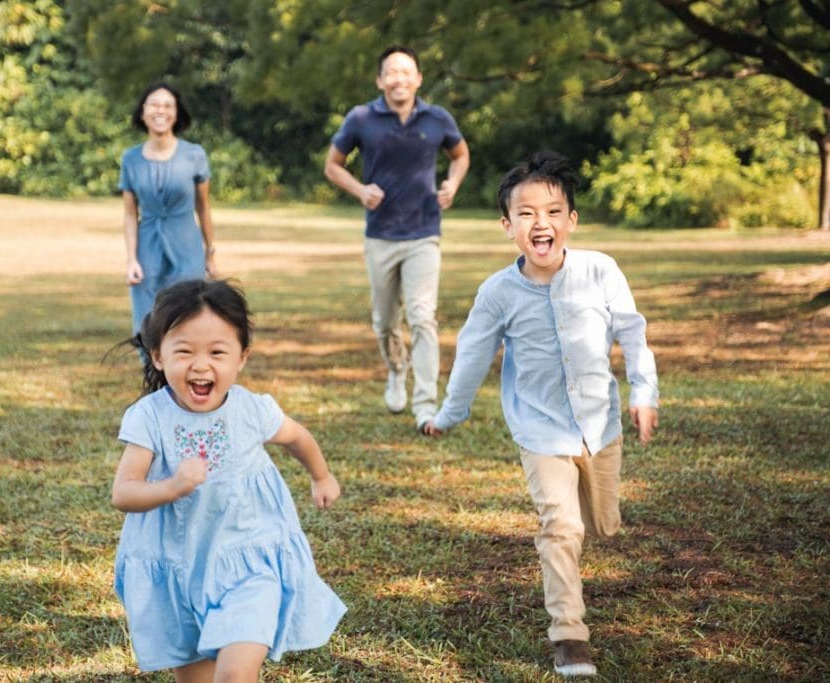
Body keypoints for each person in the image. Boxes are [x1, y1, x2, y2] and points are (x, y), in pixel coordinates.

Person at [422, 152, 659, 678]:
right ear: (507, 227)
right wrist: (448, 414)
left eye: (552, 211)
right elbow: (472, 356)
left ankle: (591, 520)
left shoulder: (601, 270)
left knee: (602, 524)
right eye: (526, 214)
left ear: (571, 221)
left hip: (600, 425)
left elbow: (632, 335)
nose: (540, 223)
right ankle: (570, 637)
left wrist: (645, 393)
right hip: (539, 428)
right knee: (560, 525)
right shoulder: (497, 293)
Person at [111, 279, 347, 681]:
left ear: (241, 358)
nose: (201, 365)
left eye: (217, 352)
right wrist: (172, 487)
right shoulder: (149, 417)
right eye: (184, 351)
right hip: (178, 569)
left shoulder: (251, 410)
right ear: (158, 356)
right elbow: (123, 493)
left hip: (248, 561)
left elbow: (296, 437)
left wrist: (321, 476)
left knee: (235, 675)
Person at [324, 45, 470, 429]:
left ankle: (425, 405)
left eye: (407, 71)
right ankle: (396, 369)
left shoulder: (437, 118)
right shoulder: (361, 118)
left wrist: (452, 185)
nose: (399, 78)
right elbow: (333, 166)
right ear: (380, 80)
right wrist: (361, 191)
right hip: (381, 236)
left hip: (424, 232)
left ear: (418, 78)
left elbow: (460, 155)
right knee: (385, 321)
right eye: (391, 72)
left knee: (423, 317)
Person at [120, 82, 217, 339]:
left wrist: (210, 253)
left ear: (177, 113)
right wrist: (131, 258)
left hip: (186, 242)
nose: (160, 110)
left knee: (187, 313)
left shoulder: (194, 155)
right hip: (147, 244)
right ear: (142, 113)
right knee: (146, 318)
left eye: (167, 105)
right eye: (153, 104)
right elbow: (130, 213)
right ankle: (152, 376)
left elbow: (204, 207)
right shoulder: (130, 159)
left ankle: (183, 376)